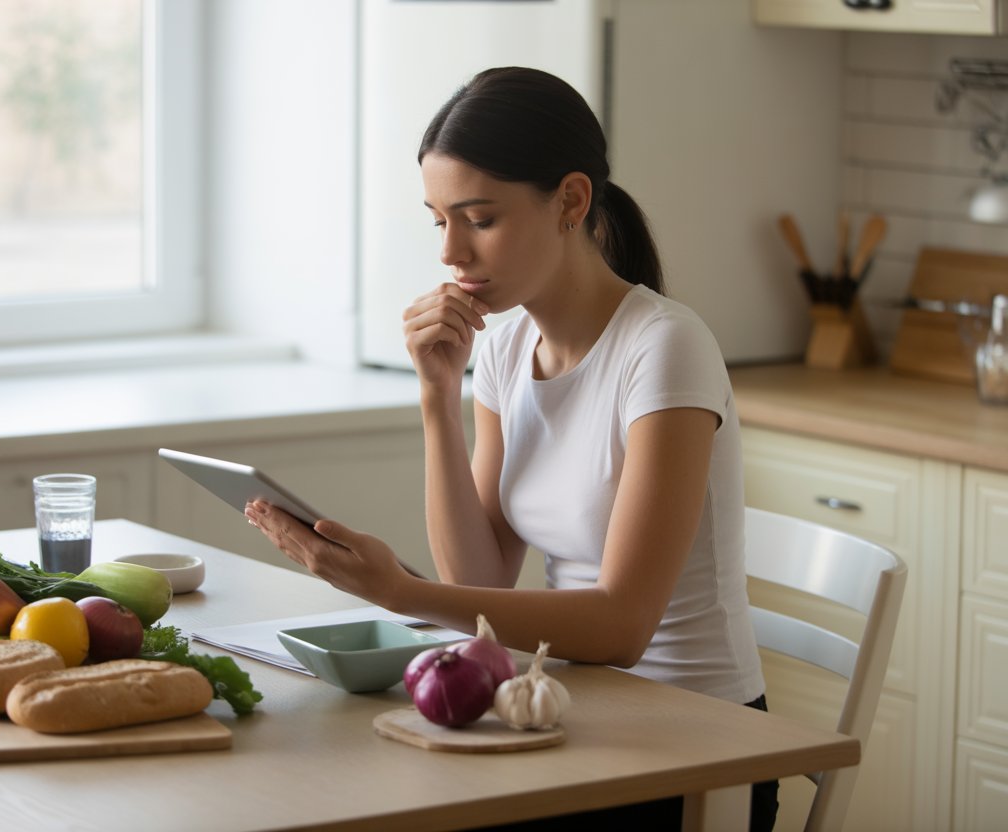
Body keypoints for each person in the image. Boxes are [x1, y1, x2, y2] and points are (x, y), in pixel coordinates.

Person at [245, 66, 776, 831]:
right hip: (572, 715)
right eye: (439, 221)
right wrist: (436, 399)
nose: (452, 251)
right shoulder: (505, 347)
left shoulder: (666, 348)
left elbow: (624, 627)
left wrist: (401, 593)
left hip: (698, 748)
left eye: (480, 218)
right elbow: (481, 579)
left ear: (570, 201)